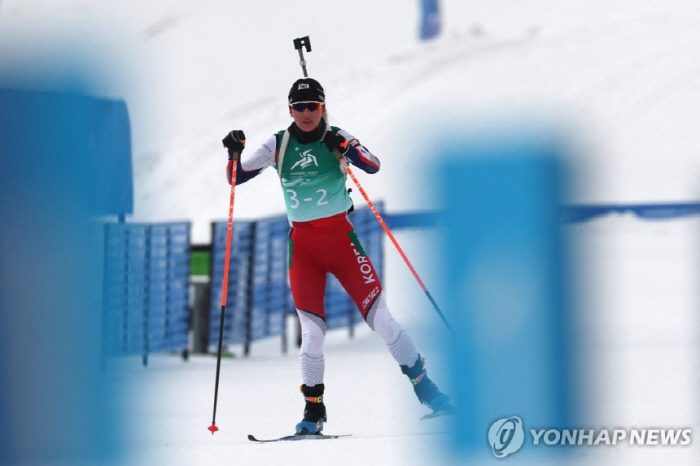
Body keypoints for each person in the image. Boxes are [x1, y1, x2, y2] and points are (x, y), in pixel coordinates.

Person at [222, 77, 450, 435]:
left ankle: (430, 392)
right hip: (304, 249)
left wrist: (345, 147)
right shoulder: (278, 144)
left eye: (313, 106)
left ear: (322, 107)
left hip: (342, 243)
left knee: (384, 323)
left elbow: (373, 165)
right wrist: (233, 151)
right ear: (290, 110)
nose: (306, 113)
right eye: (299, 107)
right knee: (311, 335)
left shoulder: (337, 137)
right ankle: (314, 412)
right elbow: (236, 177)